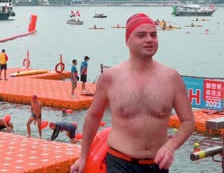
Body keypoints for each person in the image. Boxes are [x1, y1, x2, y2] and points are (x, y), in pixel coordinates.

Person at [70, 13, 195, 173]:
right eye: (141, 35)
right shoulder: (110, 77)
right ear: (127, 40)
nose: (149, 39)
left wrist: (171, 146)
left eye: (153, 35)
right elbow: (93, 117)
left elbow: (188, 122)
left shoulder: (172, 78)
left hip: (157, 165)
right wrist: (83, 157)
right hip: (120, 162)